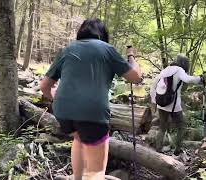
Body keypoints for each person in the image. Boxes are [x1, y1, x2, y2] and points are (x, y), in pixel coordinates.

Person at [40, 18, 142, 180]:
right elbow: (135, 77)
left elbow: (45, 86)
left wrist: (57, 100)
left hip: (63, 112)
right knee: (95, 172)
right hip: (93, 113)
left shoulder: (67, 49)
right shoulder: (107, 49)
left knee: (79, 138)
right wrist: (132, 59)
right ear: (103, 35)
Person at [150, 54, 205, 155]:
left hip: (161, 103)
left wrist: (154, 100)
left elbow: (154, 85)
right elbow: (188, 79)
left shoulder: (166, 69)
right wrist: (200, 79)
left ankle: (158, 149)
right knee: (181, 126)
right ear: (184, 63)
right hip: (173, 105)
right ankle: (177, 149)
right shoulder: (179, 70)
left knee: (162, 127)